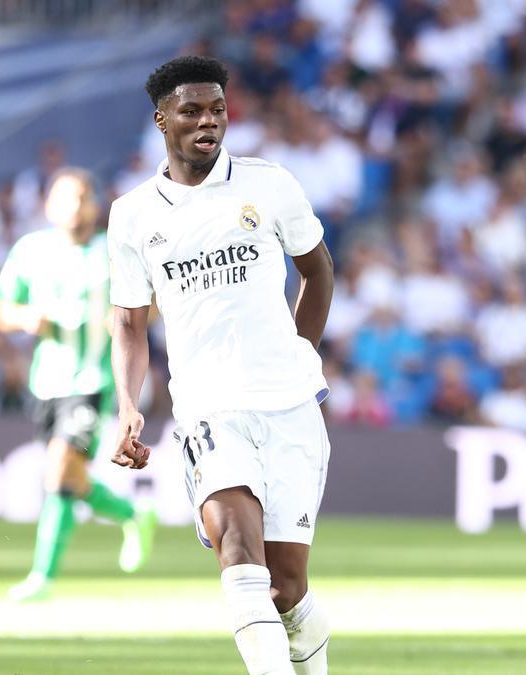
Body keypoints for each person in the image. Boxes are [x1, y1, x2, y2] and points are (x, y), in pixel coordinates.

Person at [108, 56, 335, 675]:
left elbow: (317, 272)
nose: (208, 121)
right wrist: (129, 405)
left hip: (289, 406)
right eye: (192, 111)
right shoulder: (133, 216)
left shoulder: (270, 184)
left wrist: (302, 351)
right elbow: (129, 322)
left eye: (217, 109)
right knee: (239, 553)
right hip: (209, 409)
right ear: (162, 120)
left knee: (287, 589)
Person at [0, 168, 156, 602]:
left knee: (59, 467)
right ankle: (132, 513)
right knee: (68, 480)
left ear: (95, 204)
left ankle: (41, 578)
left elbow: (152, 307)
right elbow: (3, 309)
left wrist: (125, 322)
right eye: (66, 197)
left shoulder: (113, 252)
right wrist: (24, 318)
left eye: (83, 196)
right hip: (46, 381)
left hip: (94, 380)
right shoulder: (30, 250)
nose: (75, 205)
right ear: (49, 205)